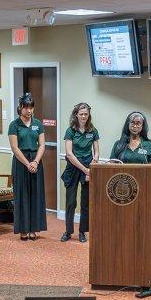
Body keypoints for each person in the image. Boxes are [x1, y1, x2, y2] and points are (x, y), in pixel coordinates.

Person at [7, 93, 47, 240]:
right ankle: (23, 229)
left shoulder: (38, 124)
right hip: (20, 161)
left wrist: (35, 162)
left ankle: (34, 228)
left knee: (36, 195)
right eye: (26, 108)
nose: (29, 111)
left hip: (36, 160)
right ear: (20, 108)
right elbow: (14, 148)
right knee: (22, 196)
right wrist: (27, 163)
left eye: (31, 108)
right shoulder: (14, 125)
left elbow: (42, 145)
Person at [62, 102, 99, 243]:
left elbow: (96, 151)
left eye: (86, 114)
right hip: (73, 167)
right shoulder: (70, 131)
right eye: (81, 114)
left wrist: (93, 165)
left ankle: (82, 231)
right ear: (76, 114)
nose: (84, 116)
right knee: (71, 202)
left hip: (89, 167)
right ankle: (68, 231)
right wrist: (85, 170)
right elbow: (69, 154)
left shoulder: (93, 131)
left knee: (86, 202)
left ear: (89, 115)